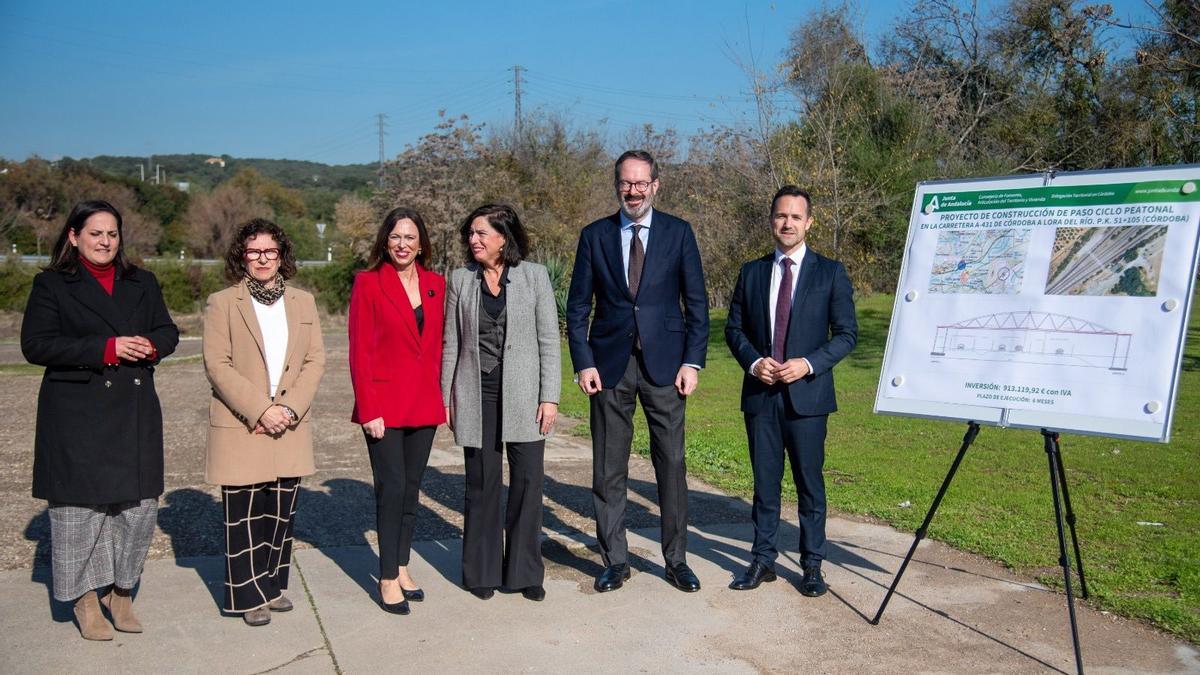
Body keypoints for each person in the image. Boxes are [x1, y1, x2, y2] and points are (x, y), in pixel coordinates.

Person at [22, 200, 179, 640]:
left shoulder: (141, 281)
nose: (106, 241)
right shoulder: (52, 284)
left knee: (140, 508)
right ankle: (84, 599)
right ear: (74, 236)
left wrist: (151, 346)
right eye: (96, 233)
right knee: (78, 514)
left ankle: (121, 590)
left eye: (112, 233)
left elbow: (168, 332)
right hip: (76, 414)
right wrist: (106, 349)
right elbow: (36, 345)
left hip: (133, 410)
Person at [566, 150, 709, 593]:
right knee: (608, 468)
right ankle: (615, 560)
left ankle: (676, 560)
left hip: (666, 367)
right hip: (609, 367)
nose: (633, 190)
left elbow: (697, 305)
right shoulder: (594, 236)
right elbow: (576, 309)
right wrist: (584, 362)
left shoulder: (679, 233)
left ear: (655, 185)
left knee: (672, 464)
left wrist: (692, 361)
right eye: (626, 183)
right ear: (616, 186)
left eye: (641, 183)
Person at [724, 185, 857, 596]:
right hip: (761, 395)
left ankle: (812, 565)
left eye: (796, 217)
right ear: (771, 221)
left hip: (808, 399)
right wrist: (753, 361)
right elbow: (734, 329)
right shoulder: (751, 272)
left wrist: (808, 363)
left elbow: (847, 334)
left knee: (809, 485)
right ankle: (763, 560)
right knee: (765, 485)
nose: (787, 223)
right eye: (781, 215)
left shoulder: (830, 272)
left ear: (809, 222)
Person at [202, 219, 326, 626]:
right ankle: (246, 596)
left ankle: (272, 587)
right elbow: (217, 365)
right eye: (254, 251)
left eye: (270, 251)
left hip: (289, 423)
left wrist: (288, 409)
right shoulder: (223, 302)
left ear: (282, 255)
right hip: (244, 423)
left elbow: (315, 361)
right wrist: (261, 410)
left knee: (279, 513)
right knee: (244, 514)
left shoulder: (303, 302)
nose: (262, 258)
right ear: (242, 255)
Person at [442, 204, 560, 602]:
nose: (473, 240)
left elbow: (549, 341)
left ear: (503, 238)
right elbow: (451, 343)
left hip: (526, 395)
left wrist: (550, 396)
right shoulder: (460, 279)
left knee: (528, 481)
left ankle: (525, 573)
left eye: (481, 233)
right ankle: (481, 571)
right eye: (470, 234)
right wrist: (447, 397)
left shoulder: (535, 277)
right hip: (476, 393)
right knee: (481, 483)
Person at [348, 206, 445, 615]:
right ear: (384, 243)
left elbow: (441, 347)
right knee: (391, 489)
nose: (402, 244)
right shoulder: (368, 283)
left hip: (424, 405)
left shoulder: (436, 284)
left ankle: (402, 565)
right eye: (395, 237)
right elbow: (359, 352)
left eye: (410, 237)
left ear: (421, 242)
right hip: (383, 408)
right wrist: (369, 408)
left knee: (411, 490)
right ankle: (387, 577)